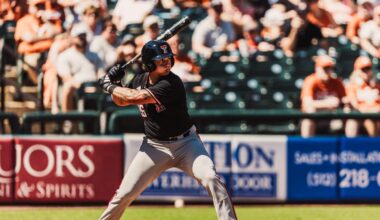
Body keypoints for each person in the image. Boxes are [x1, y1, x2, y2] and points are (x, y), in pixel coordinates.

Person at [98, 40, 237, 220]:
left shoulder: (172, 83)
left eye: (167, 57)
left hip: (186, 143)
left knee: (211, 177)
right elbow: (122, 101)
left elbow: (134, 97)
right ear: (149, 63)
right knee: (124, 193)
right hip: (154, 147)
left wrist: (110, 86)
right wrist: (116, 84)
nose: (166, 61)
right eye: (160, 59)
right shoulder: (139, 79)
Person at [300, 55, 347, 137]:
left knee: (346, 116)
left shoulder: (337, 82)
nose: (328, 71)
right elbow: (307, 103)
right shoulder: (311, 80)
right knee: (309, 116)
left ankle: (350, 148)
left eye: (330, 68)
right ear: (317, 69)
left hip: (332, 117)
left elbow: (345, 99)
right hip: (316, 118)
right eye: (325, 68)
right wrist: (326, 103)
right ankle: (306, 147)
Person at [345, 56, 380, 137]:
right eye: (363, 69)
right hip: (363, 116)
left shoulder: (377, 85)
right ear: (356, 71)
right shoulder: (352, 86)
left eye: (368, 68)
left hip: (377, 114)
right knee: (366, 120)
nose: (367, 72)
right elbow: (355, 105)